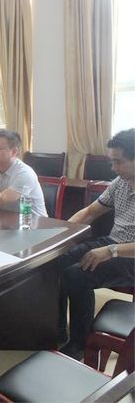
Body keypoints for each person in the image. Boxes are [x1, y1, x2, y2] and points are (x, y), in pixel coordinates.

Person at [58, 128, 135, 360]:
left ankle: (80, 344)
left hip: (129, 255)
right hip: (113, 244)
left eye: (118, 162)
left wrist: (110, 251)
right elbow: (90, 212)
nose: (113, 168)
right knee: (56, 261)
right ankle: (57, 330)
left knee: (77, 275)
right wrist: (62, 234)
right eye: (112, 162)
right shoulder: (121, 183)